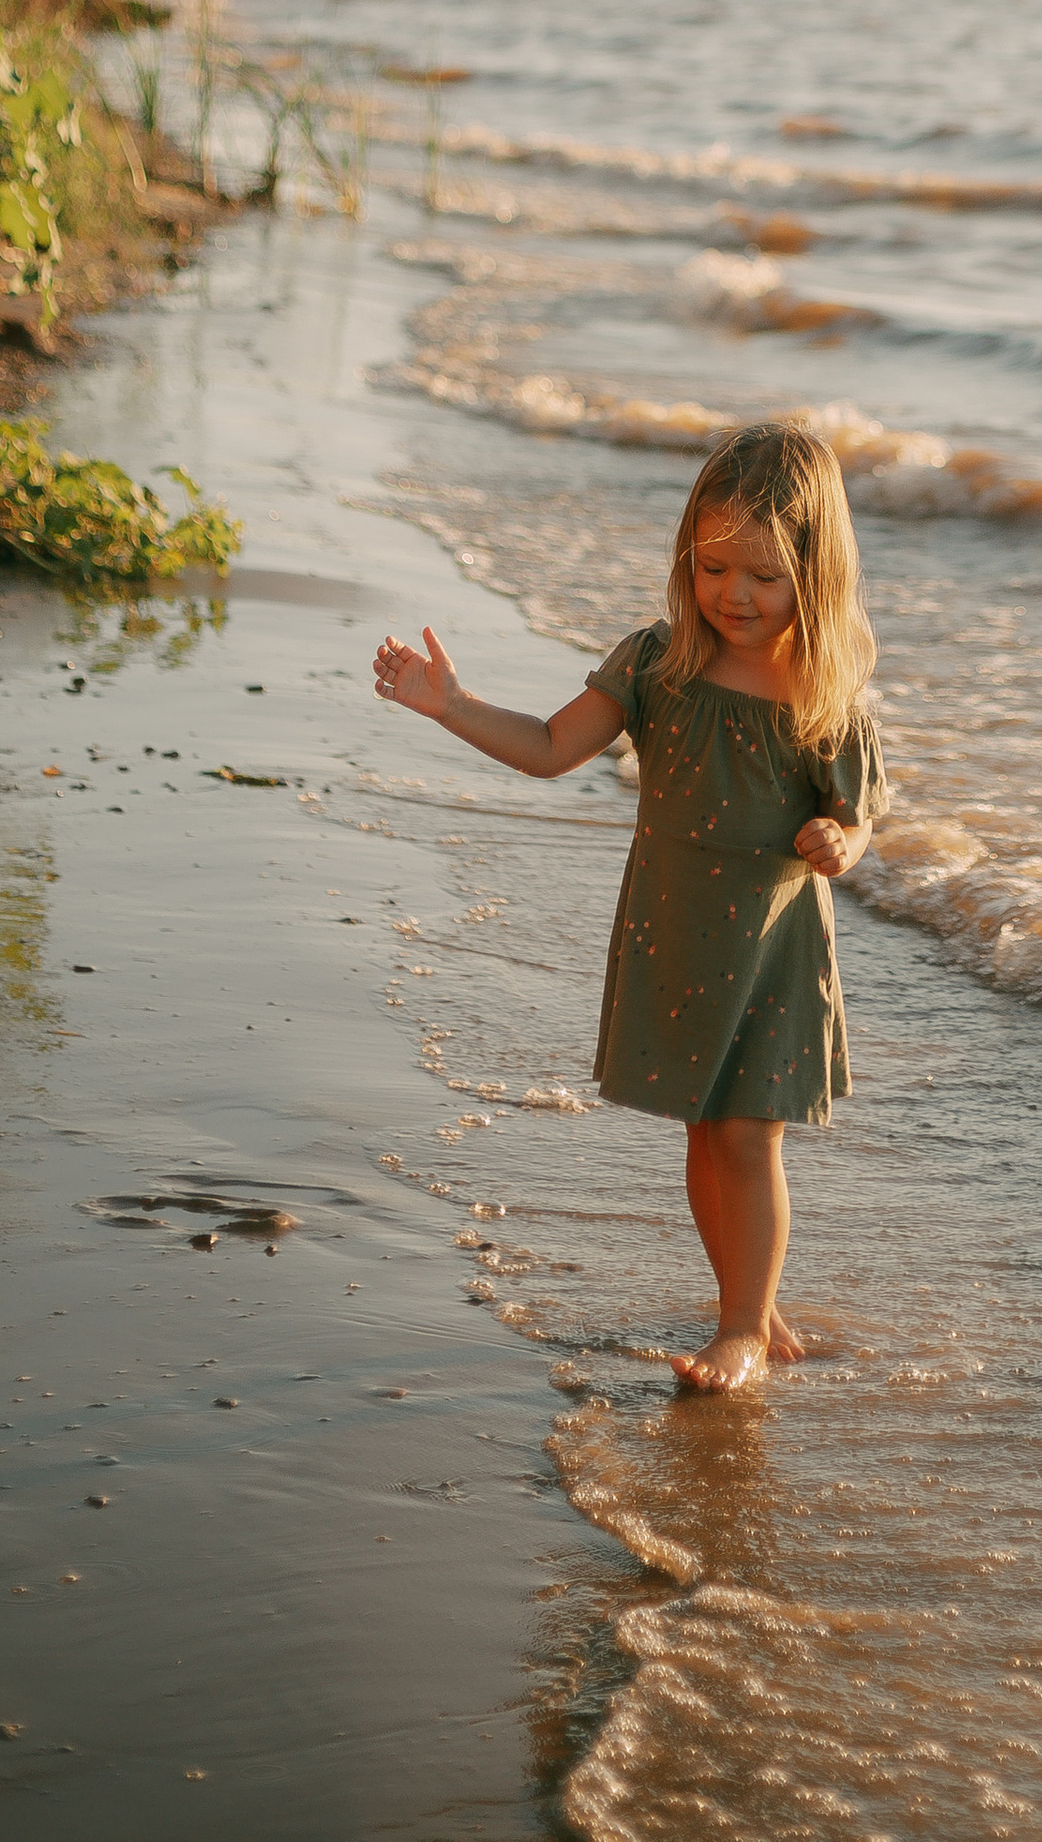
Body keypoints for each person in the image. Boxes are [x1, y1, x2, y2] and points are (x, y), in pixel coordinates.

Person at [371, 417, 885, 1391]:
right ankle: (751, 1304)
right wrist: (450, 704)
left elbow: (856, 820)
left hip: (772, 949)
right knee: (702, 1128)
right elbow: (551, 747)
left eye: (764, 576)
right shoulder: (658, 665)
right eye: (713, 568)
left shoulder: (822, 698)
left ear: (814, 576)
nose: (734, 594)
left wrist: (839, 843)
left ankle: (740, 1330)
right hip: (678, 940)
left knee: (748, 1135)